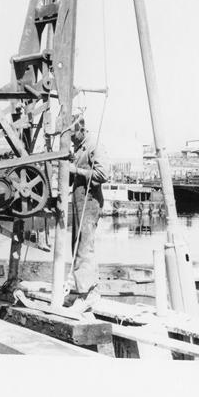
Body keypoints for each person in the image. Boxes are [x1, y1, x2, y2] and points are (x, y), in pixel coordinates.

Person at [65, 116, 108, 313]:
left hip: (90, 202)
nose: (71, 139)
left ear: (81, 129)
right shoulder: (78, 148)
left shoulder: (93, 145)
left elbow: (103, 174)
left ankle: (87, 295)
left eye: (73, 135)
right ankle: (85, 289)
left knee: (84, 247)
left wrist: (76, 170)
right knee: (78, 245)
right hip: (79, 201)